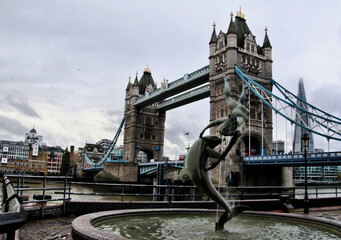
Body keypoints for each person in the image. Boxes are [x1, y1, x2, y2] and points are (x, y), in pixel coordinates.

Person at [199, 75, 249, 171]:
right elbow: (215, 122)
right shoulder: (234, 126)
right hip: (239, 113)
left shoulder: (236, 130)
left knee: (237, 100)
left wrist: (203, 130)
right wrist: (203, 130)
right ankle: (229, 82)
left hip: (244, 115)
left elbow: (226, 151)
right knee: (232, 99)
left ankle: (242, 87)